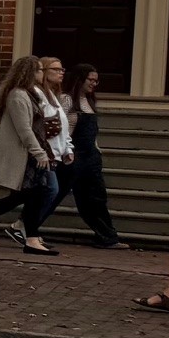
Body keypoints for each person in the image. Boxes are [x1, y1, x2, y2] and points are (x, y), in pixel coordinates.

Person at [0, 54, 62, 257]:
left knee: (32, 195)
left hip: (31, 156)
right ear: (29, 72)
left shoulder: (28, 94)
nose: (42, 73)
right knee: (26, 195)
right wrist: (39, 152)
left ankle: (28, 238)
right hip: (25, 157)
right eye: (39, 70)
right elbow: (24, 130)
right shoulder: (18, 96)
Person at [53, 62, 121, 248]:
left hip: (91, 157)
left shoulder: (90, 102)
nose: (94, 84)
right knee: (56, 193)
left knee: (96, 197)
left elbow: (92, 130)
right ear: (79, 79)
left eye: (96, 81)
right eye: (90, 80)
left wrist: (96, 147)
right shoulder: (66, 99)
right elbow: (61, 128)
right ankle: (26, 226)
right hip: (73, 155)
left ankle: (107, 236)